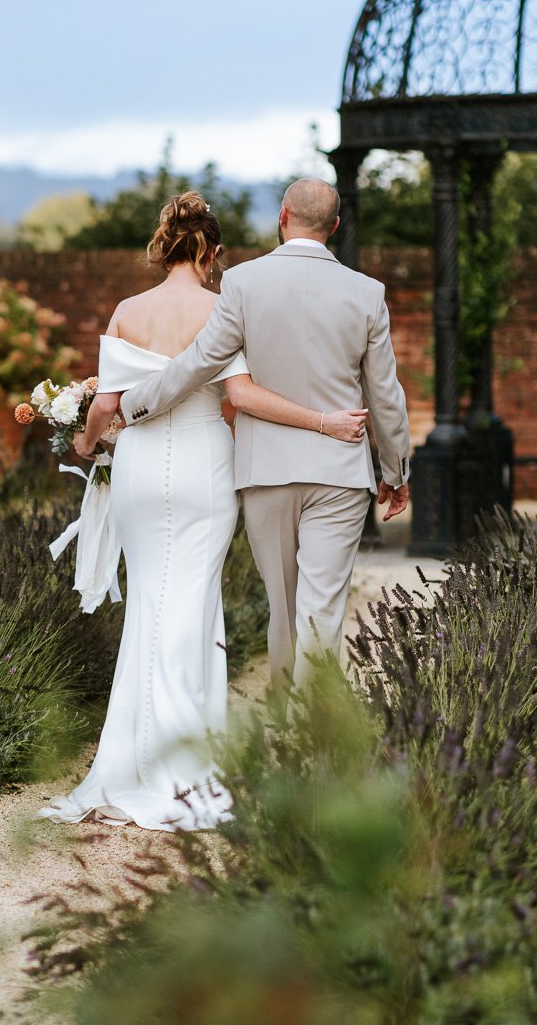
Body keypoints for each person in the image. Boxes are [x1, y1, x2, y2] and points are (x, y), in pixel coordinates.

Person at [35, 190, 369, 832]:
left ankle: (135, 762)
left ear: (164, 248)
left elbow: (107, 406)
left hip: (138, 469)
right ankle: (188, 766)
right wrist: (322, 421)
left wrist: (82, 445)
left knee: (150, 605)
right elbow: (242, 397)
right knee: (191, 601)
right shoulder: (224, 309)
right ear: (213, 254)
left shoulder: (127, 311)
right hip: (204, 469)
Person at [118, 177, 410, 694]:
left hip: (265, 472)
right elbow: (384, 391)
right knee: (320, 607)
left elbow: (201, 361)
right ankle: (310, 722)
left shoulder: (242, 284)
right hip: (339, 474)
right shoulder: (368, 293)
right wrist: (395, 470)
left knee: (283, 605)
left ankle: (286, 712)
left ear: (282, 218)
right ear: (335, 228)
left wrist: (136, 403)